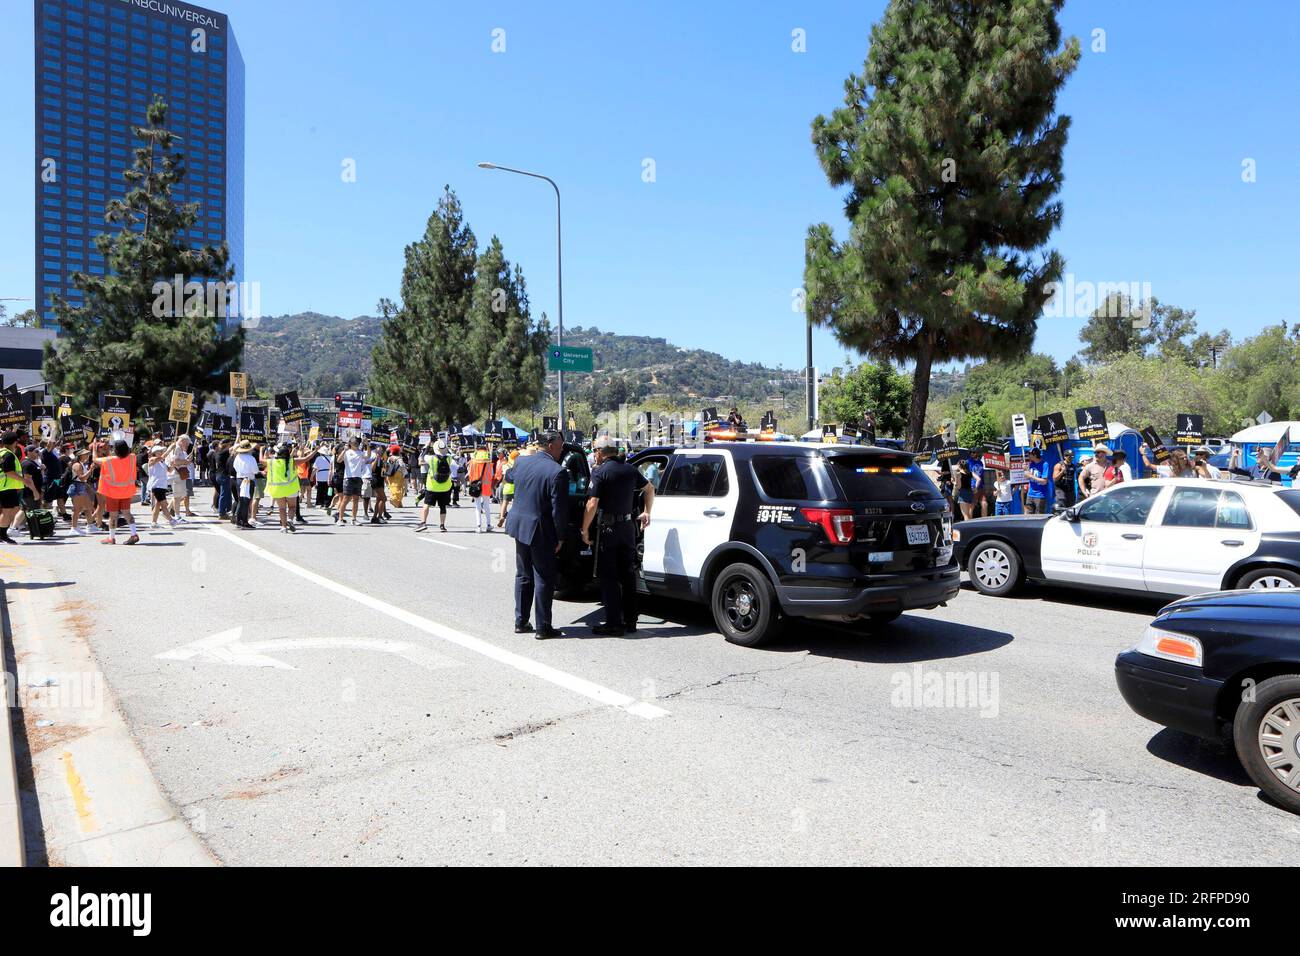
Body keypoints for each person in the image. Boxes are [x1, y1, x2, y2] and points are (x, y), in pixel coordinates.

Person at [581, 436, 654, 635]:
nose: (594, 454)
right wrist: (647, 511)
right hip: (628, 528)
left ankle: (613, 623)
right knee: (628, 575)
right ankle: (630, 620)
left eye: (595, 451)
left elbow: (592, 504)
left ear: (600, 452)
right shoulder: (630, 469)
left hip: (609, 530)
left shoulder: (600, 472)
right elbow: (649, 488)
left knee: (609, 577)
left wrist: (585, 529)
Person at [505, 430, 569, 639]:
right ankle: (543, 626)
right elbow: (558, 510)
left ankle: (520, 621)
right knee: (543, 577)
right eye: (560, 446)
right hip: (541, 530)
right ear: (550, 445)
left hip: (520, 526)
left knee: (523, 575)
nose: (562, 450)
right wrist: (561, 536)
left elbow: (508, 476)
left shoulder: (522, 462)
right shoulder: (557, 471)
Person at [95, 438, 139, 545]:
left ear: (115, 450)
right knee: (127, 513)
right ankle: (134, 534)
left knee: (113, 515)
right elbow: (127, 453)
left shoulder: (108, 460)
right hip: (126, 491)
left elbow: (95, 459)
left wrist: (95, 447)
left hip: (113, 492)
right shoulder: (133, 458)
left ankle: (111, 538)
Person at [266, 442, 314, 533]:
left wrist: (263, 450)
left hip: (278, 489)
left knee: (282, 509)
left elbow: (261, 460)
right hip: (291, 489)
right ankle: (290, 520)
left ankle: (283, 527)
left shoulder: (271, 462)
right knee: (292, 507)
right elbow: (307, 458)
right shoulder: (292, 461)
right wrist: (315, 450)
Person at [414, 438, 454, 533]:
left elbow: (421, 457)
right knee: (443, 506)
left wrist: (427, 447)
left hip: (432, 486)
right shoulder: (449, 458)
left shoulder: (431, 458)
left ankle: (423, 523)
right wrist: (443, 444)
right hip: (445, 487)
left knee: (426, 504)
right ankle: (442, 526)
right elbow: (448, 452)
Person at [0, 431, 34, 544]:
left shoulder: (4, 452)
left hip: (7, 487)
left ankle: (3, 534)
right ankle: (2, 535)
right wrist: (24, 480)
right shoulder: (8, 454)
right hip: (6, 487)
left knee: (13, 509)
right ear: (14, 442)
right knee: (7, 512)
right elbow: (9, 472)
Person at [335, 438, 369, 526]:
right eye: (354, 442)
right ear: (350, 443)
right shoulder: (346, 452)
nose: (356, 444)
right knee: (346, 499)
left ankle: (354, 519)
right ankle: (340, 519)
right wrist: (344, 451)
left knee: (356, 499)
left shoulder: (360, 453)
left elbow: (368, 455)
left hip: (358, 478)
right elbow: (338, 460)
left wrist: (367, 444)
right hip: (348, 478)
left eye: (357, 442)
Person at [145, 445, 177, 529]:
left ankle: (153, 522)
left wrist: (173, 464)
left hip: (162, 485)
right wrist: (170, 449)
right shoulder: (152, 460)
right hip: (156, 485)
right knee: (163, 504)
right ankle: (171, 521)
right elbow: (162, 457)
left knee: (158, 505)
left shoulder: (162, 462)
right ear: (155, 453)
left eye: (162, 451)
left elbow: (169, 470)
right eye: (160, 451)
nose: (162, 452)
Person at [66, 447, 95, 535]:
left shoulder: (81, 464)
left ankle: (90, 526)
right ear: (81, 455)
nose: (87, 455)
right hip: (77, 487)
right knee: (77, 509)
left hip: (81, 487)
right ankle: (74, 528)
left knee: (88, 507)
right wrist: (90, 470)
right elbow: (82, 478)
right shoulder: (77, 465)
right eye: (86, 454)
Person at [231, 439, 259, 529]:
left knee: (241, 501)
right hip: (248, 480)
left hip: (239, 479)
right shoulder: (251, 458)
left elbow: (235, 467)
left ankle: (239, 520)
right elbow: (255, 470)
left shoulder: (238, 457)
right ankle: (243, 521)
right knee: (246, 502)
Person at [467, 447, 496, 532]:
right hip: (486, 486)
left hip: (475, 486)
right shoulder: (489, 463)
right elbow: (492, 474)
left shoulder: (472, 462)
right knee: (487, 506)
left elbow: (469, 474)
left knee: (477, 506)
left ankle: (478, 526)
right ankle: (488, 525)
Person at [497, 449, 520, 528]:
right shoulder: (518, 465)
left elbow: (503, 477)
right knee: (516, 505)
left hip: (507, 486)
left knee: (504, 503)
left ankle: (502, 516)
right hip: (517, 487)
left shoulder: (506, 465)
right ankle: (515, 520)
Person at [1023, 448, 1050, 514]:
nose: (1028, 456)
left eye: (1029, 454)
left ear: (1035, 455)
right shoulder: (1031, 464)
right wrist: (1025, 470)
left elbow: (1044, 481)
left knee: (1039, 517)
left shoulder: (1044, 464)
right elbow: (1027, 477)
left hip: (1040, 496)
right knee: (1029, 516)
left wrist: (1031, 476)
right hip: (1030, 495)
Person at [369, 445, 390, 524]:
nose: (380, 452)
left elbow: (384, 472)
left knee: (379, 499)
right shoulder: (374, 458)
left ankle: (374, 517)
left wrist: (386, 466)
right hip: (375, 480)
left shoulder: (383, 459)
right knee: (384, 498)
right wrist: (377, 458)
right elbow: (372, 469)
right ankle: (380, 517)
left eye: (381, 451)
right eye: (379, 451)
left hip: (381, 480)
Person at [1052, 447, 1075, 513]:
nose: (1071, 458)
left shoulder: (1073, 466)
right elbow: (1055, 479)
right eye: (1069, 456)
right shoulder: (1059, 465)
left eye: (1072, 456)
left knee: (1071, 507)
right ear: (1065, 456)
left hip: (1070, 490)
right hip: (1060, 489)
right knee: (1061, 505)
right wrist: (1062, 471)